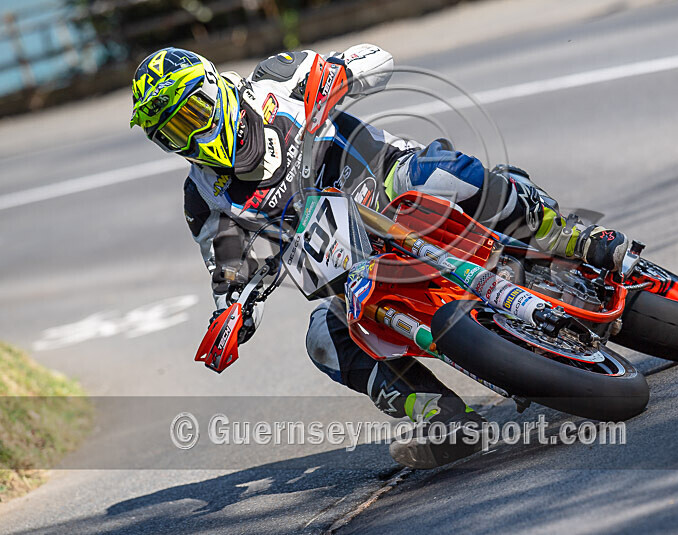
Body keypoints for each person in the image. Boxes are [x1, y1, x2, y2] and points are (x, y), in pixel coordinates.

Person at [130, 45, 628, 468]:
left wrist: (344, 72)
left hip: (385, 179)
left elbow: (376, 59)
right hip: (336, 257)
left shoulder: (275, 80)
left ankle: (570, 239)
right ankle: (438, 414)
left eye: (191, 115)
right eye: (173, 134)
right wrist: (232, 314)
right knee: (322, 338)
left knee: (448, 174)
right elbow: (228, 267)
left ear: (214, 88)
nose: (191, 137)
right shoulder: (203, 197)